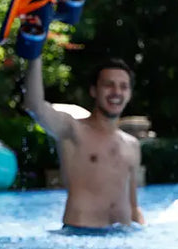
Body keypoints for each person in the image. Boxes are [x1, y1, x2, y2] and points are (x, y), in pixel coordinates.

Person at [23, 57, 145, 229]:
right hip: (81, 236)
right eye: (109, 85)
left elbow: (133, 205)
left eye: (123, 87)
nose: (116, 92)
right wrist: (35, 56)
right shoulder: (72, 130)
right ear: (94, 91)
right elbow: (34, 106)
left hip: (123, 236)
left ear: (129, 94)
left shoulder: (132, 144)